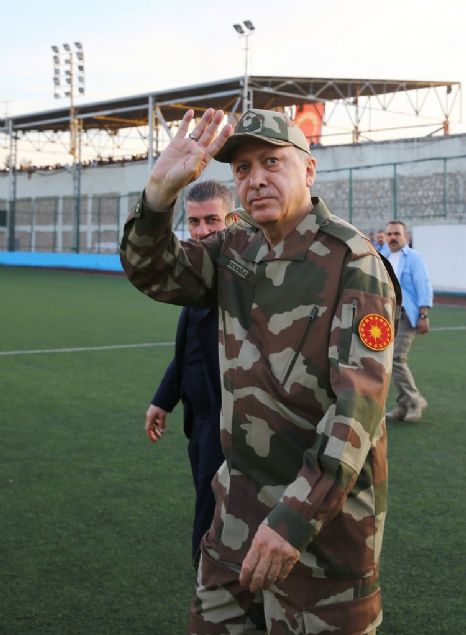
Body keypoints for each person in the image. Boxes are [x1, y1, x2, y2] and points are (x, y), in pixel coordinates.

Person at [120, 107, 399, 635]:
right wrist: (159, 193)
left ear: (308, 170)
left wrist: (293, 521)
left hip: (322, 533)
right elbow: (151, 270)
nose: (256, 179)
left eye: (272, 161)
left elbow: (357, 409)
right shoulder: (235, 247)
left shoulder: (353, 262)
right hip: (237, 516)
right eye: (243, 168)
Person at [145, 180, 231, 565]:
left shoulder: (244, 280)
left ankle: (207, 584)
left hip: (230, 424)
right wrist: (163, 399)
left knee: (212, 513)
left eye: (212, 220)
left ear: (233, 220)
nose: (201, 230)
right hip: (199, 419)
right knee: (208, 499)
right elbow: (191, 350)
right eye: (194, 221)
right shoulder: (201, 272)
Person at [381, 220, 433, 422]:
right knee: (388, 361)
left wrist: (423, 314)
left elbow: (423, 285)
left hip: (406, 315)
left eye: (397, 234)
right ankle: (402, 405)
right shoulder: (382, 256)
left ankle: (415, 401)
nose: (393, 237)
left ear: (406, 237)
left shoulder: (414, 258)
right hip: (386, 315)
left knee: (396, 358)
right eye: (390, 234)